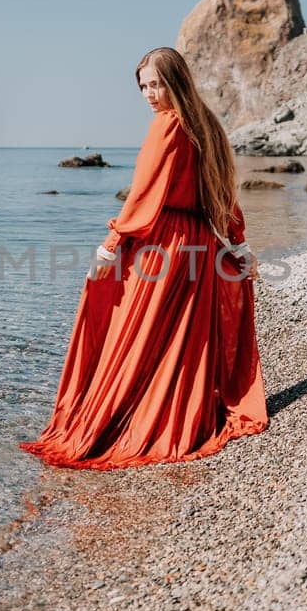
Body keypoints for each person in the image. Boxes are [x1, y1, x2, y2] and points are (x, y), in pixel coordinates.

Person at [20, 47, 269, 470]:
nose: (150, 94)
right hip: (197, 246)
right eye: (143, 86)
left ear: (177, 81)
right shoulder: (206, 125)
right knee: (170, 341)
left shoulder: (168, 125)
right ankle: (172, 413)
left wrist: (110, 244)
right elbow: (223, 193)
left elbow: (142, 193)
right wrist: (238, 244)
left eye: (157, 84)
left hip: (162, 244)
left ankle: (126, 421)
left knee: (132, 336)